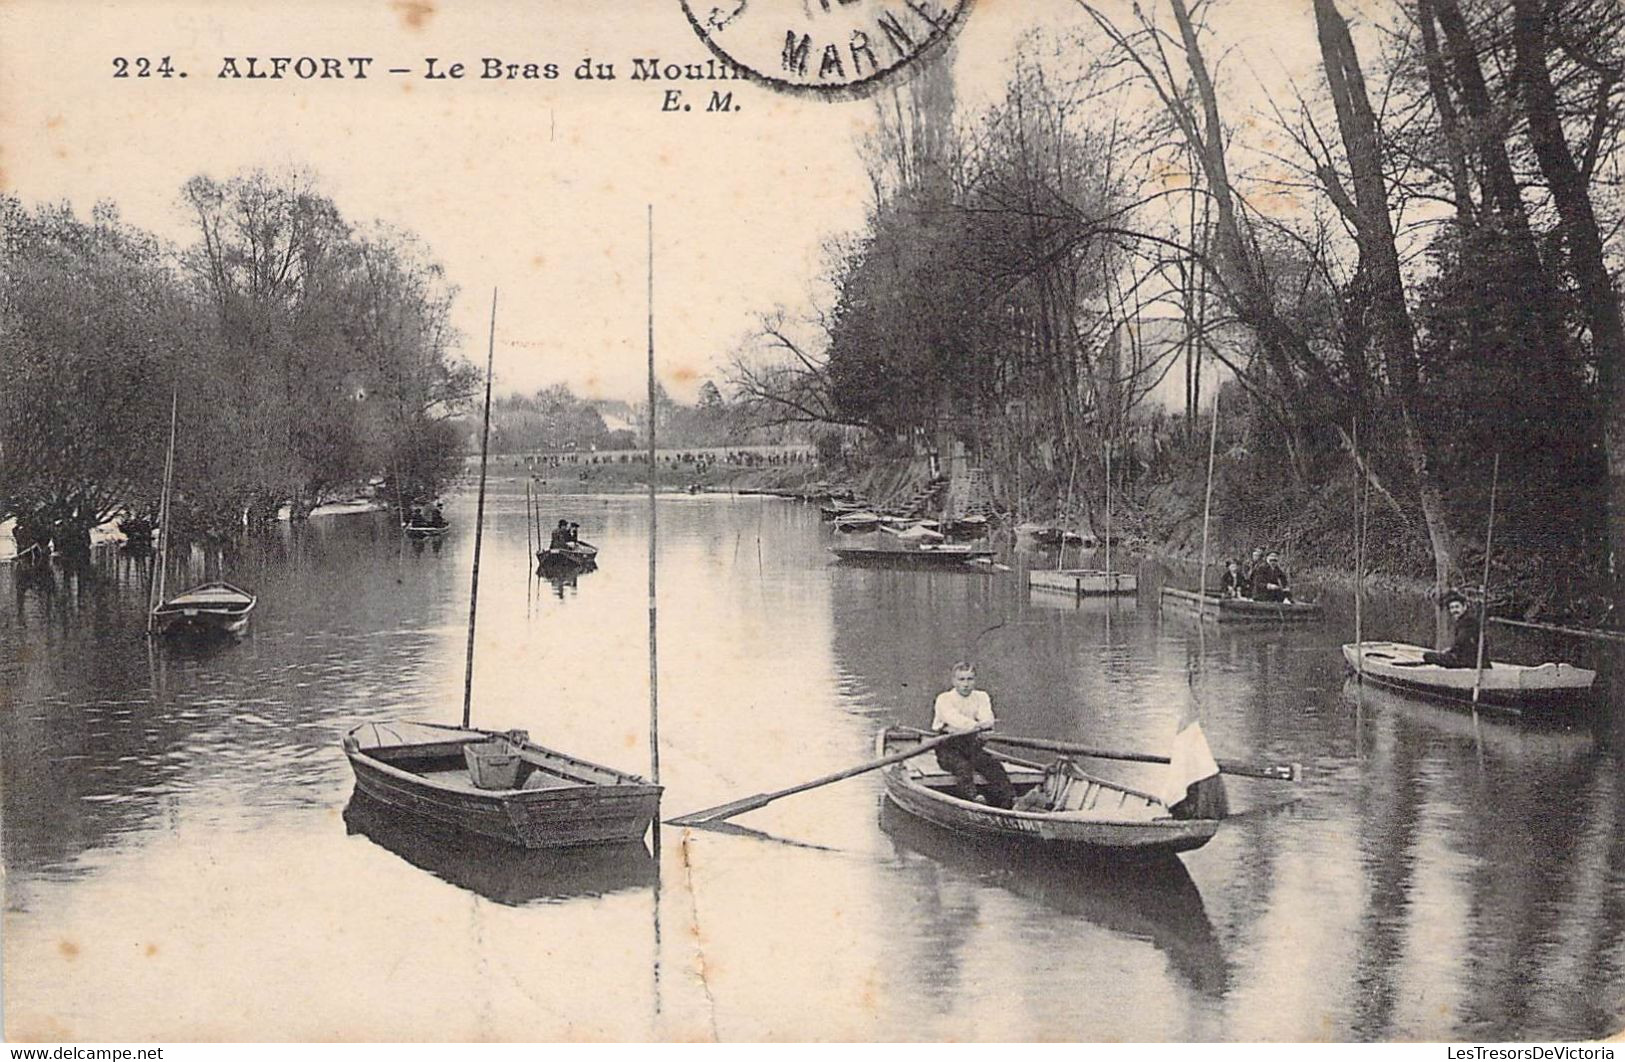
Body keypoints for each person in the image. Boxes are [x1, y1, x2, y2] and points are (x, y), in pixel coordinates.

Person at [931, 662, 1015, 810]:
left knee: (993, 765)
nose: (966, 684)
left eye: (970, 679)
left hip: (971, 745)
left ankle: (1010, 798)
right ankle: (974, 798)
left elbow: (987, 717)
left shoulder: (981, 696)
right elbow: (953, 718)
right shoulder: (944, 699)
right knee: (962, 767)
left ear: (975, 680)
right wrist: (977, 726)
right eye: (961, 679)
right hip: (948, 747)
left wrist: (982, 726)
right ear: (953, 681)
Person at [1421, 591, 1491, 668]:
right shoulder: (1462, 621)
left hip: (1470, 662)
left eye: (1457, 607)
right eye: (1452, 608)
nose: (1454, 610)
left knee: (1427, 656)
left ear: (1464, 607)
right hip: (1466, 658)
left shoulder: (1468, 622)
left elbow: (1462, 641)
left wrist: (1450, 651)